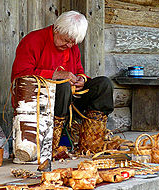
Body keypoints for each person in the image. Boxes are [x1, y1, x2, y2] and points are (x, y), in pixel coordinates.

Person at [11, 10, 114, 152]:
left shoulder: (71, 46)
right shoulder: (33, 40)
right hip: (41, 101)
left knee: (103, 84)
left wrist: (81, 79)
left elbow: (79, 70)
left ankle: (90, 146)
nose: (70, 46)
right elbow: (20, 75)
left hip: (71, 101)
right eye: (66, 40)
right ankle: (52, 146)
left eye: (73, 42)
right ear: (57, 29)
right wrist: (55, 75)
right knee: (63, 84)